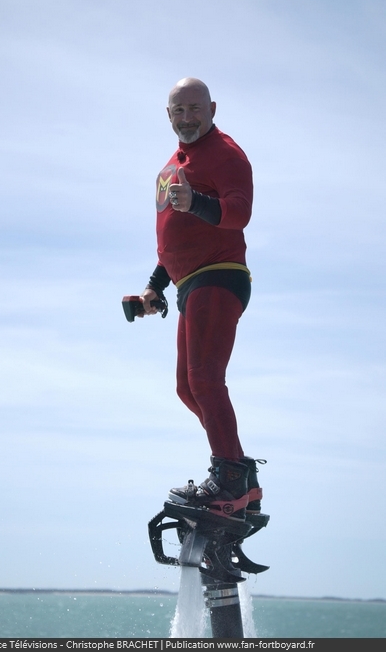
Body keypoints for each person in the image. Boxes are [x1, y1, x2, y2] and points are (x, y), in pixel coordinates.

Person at [140, 78, 263, 520]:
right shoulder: (170, 167)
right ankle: (240, 479)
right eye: (179, 111)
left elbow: (239, 211)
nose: (187, 118)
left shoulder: (225, 152)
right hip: (188, 283)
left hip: (220, 274)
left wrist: (197, 203)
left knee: (206, 379)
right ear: (168, 115)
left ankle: (229, 477)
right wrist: (154, 286)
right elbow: (171, 243)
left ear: (212, 108)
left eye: (195, 109)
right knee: (187, 387)